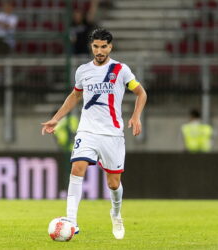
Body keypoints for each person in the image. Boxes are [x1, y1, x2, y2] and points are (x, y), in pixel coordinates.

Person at [41, 28, 147, 240]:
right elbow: (75, 95)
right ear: (91, 46)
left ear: (110, 47)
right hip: (87, 131)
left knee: (113, 184)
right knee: (77, 168)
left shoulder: (120, 70)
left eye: (104, 47)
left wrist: (136, 116)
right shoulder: (82, 71)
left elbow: (140, 92)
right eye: (96, 46)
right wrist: (57, 117)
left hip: (112, 134)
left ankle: (116, 215)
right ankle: (71, 220)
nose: (99, 51)